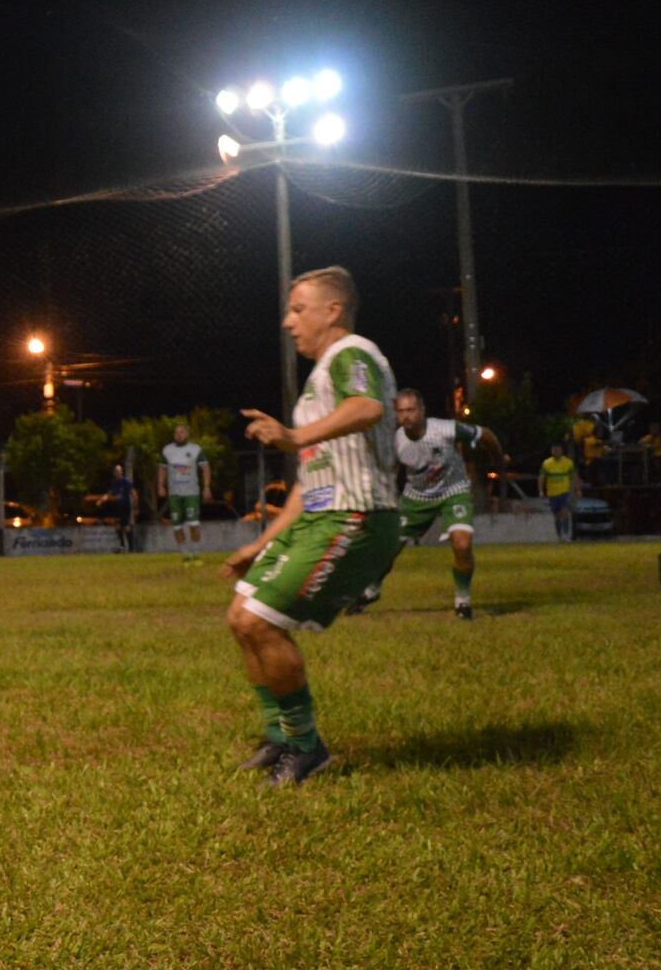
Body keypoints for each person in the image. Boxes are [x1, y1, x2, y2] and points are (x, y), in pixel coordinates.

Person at [220, 266, 400, 787]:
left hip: (357, 515)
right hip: (321, 516)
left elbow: (367, 406)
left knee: (259, 622)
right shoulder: (318, 385)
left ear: (333, 310)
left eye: (298, 309)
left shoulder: (353, 354)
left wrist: (295, 437)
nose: (288, 321)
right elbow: (309, 483)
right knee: (240, 616)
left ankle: (306, 747)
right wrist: (261, 541)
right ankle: (280, 738)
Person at [348, 389, 501, 620]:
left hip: (454, 491)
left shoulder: (445, 429)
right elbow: (390, 472)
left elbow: (485, 434)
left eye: (411, 410)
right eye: (401, 411)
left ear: (422, 411)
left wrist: (499, 459)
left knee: (462, 545)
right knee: (388, 548)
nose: (406, 416)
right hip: (417, 498)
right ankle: (371, 590)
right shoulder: (396, 441)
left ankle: (462, 601)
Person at [158, 423, 210, 565]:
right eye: (176, 432)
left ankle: (196, 554)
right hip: (174, 494)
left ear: (187, 434)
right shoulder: (167, 450)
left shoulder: (195, 449)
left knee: (193, 524)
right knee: (177, 526)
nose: (179, 435)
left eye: (181, 432)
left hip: (191, 493)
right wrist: (161, 486)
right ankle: (185, 555)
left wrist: (206, 487)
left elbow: (205, 467)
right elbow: (162, 469)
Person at [539, 443, 577, 542]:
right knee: (556, 515)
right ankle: (559, 535)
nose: (556, 452)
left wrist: (575, 490)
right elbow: (542, 477)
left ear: (561, 451)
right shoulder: (547, 463)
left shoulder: (568, 463)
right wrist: (541, 490)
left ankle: (566, 534)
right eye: (554, 450)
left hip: (564, 491)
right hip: (552, 493)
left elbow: (573, 477)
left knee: (564, 512)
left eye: (557, 450)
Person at [104, 463, 137, 552]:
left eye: (119, 471)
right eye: (116, 471)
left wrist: (135, 506)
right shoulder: (114, 483)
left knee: (126, 526)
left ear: (121, 472)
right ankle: (122, 546)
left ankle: (131, 548)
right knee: (118, 526)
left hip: (125, 506)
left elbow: (133, 493)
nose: (117, 473)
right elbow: (110, 493)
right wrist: (104, 498)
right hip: (117, 506)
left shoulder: (126, 482)